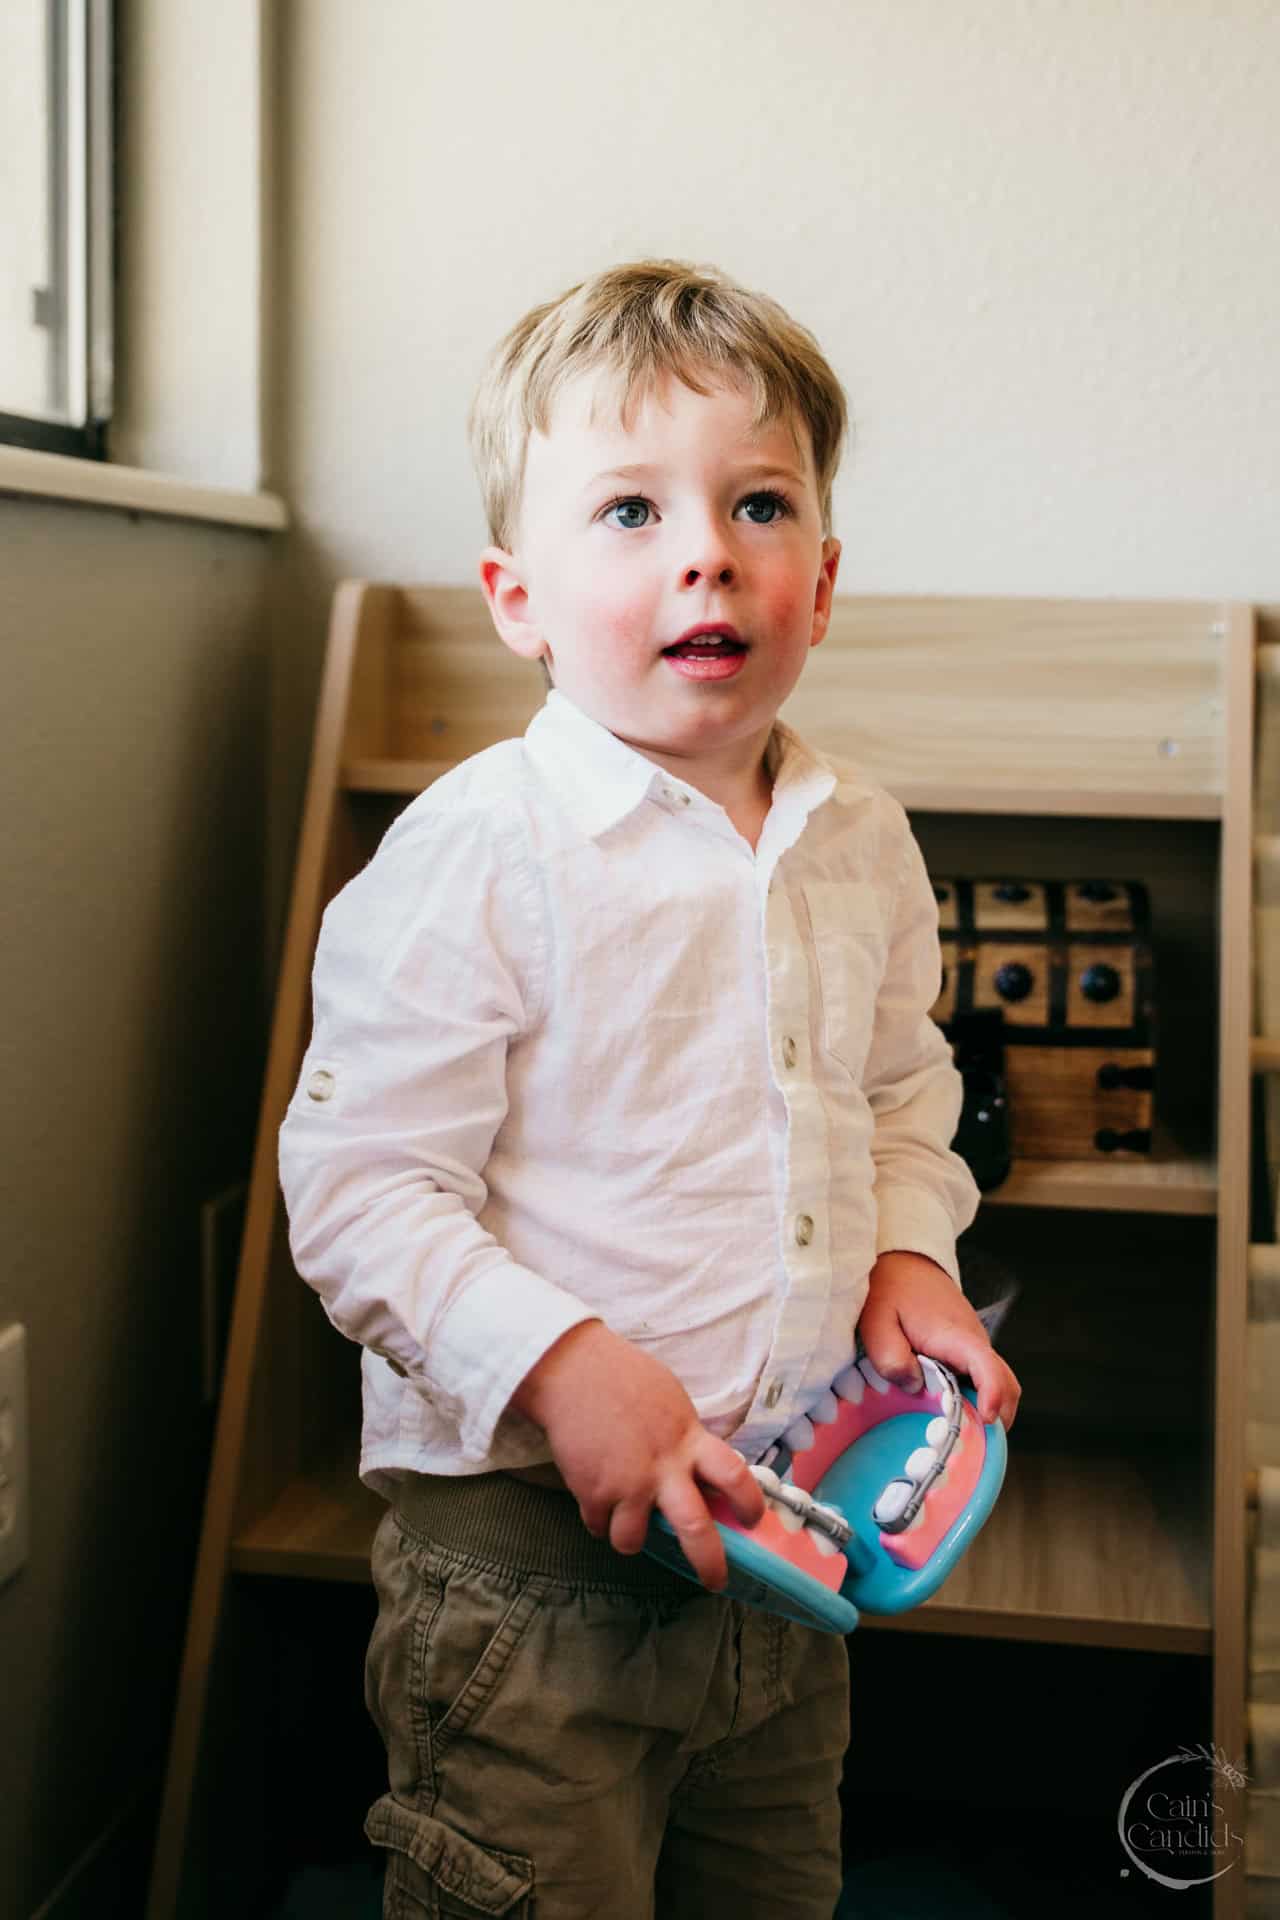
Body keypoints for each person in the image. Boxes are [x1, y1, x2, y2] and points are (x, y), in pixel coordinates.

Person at [278, 257, 1022, 1920]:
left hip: (786, 1557)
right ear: (516, 596)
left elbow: (905, 1097)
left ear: (819, 582)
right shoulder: (475, 855)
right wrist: (558, 1363)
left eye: (757, 503)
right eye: (629, 512)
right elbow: (358, 1187)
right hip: (533, 1598)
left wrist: (913, 1258)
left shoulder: (866, 844)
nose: (706, 549)